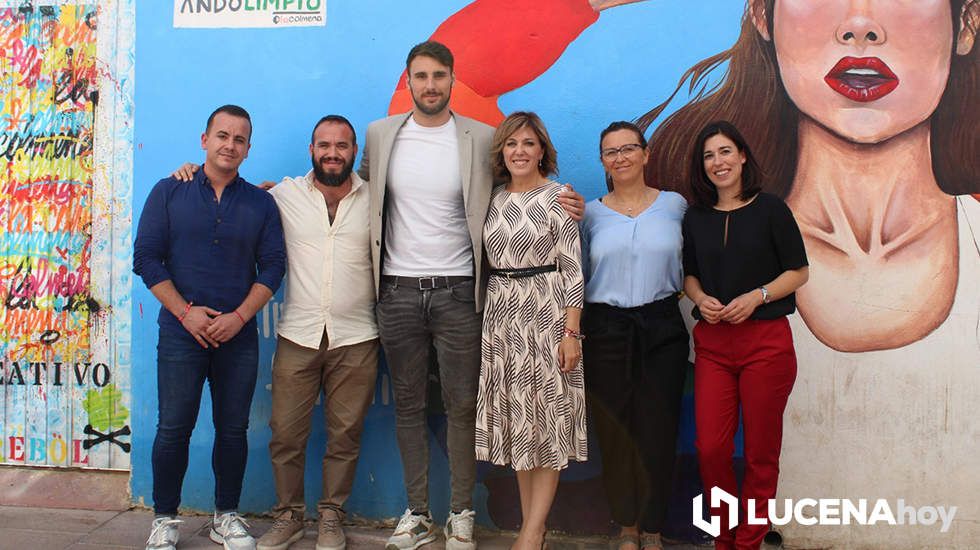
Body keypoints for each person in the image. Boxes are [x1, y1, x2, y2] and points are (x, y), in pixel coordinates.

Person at [357, 42, 584, 550]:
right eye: (421, 76)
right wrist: (284, 186)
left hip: (461, 292)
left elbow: (530, 190)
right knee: (409, 406)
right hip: (396, 291)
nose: (431, 84)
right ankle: (416, 514)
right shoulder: (380, 135)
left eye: (440, 75)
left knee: (462, 405)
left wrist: (570, 205)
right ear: (408, 80)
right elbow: (357, 192)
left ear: (453, 80)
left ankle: (461, 513)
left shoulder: (482, 138)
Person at [171, 115, 378, 550]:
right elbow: (234, 190)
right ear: (311, 150)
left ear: (354, 151)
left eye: (342, 145)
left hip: (357, 335)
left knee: (345, 435)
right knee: (285, 432)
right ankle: (288, 517)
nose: (333, 153)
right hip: (299, 334)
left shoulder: (375, 198)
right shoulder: (282, 195)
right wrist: (189, 171)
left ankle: (331, 517)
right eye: (324, 144)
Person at [133, 104, 286, 550]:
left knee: (233, 429)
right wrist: (185, 312)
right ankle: (164, 519)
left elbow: (274, 265)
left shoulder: (260, 203)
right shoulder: (169, 191)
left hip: (236, 335)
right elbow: (146, 257)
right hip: (181, 331)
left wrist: (239, 317)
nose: (229, 145)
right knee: (173, 428)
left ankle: (226, 516)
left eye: (239, 139)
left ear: (248, 148)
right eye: (222, 136)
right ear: (205, 140)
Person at [681, 121, 808, 550]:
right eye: (709, 156)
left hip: (766, 344)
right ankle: (724, 536)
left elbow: (799, 272)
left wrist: (758, 296)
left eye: (725, 152)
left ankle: (749, 541)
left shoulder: (771, 209)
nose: (718, 162)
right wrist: (701, 299)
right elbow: (690, 276)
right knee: (711, 448)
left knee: (759, 452)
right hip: (714, 345)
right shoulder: (695, 217)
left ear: (742, 156)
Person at [475, 111, 586, 550]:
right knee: (521, 426)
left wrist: (570, 332)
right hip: (502, 320)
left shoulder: (558, 197)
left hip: (547, 317)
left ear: (542, 150)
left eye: (528, 143)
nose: (519, 151)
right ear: (502, 151)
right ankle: (530, 527)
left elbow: (573, 268)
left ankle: (533, 530)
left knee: (550, 422)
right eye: (511, 144)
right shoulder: (494, 199)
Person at [579, 121, 688, 550]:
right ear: (602, 161)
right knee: (615, 431)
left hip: (663, 324)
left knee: (659, 430)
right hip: (605, 327)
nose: (620, 157)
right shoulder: (588, 214)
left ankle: (654, 527)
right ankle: (626, 527)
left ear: (646, 154)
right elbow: (577, 273)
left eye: (629, 148)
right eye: (611, 151)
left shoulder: (675, 206)